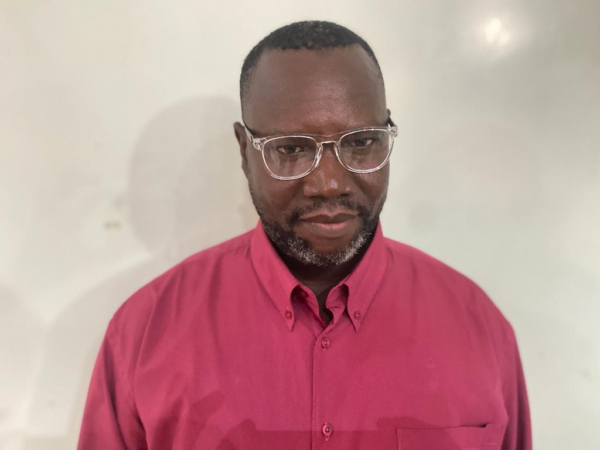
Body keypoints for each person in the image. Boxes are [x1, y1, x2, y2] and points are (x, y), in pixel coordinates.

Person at [78, 20, 532, 449]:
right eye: (292, 149)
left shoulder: (480, 330)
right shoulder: (145, 333)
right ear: (244, 152)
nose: (329, 184)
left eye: (361, 142)